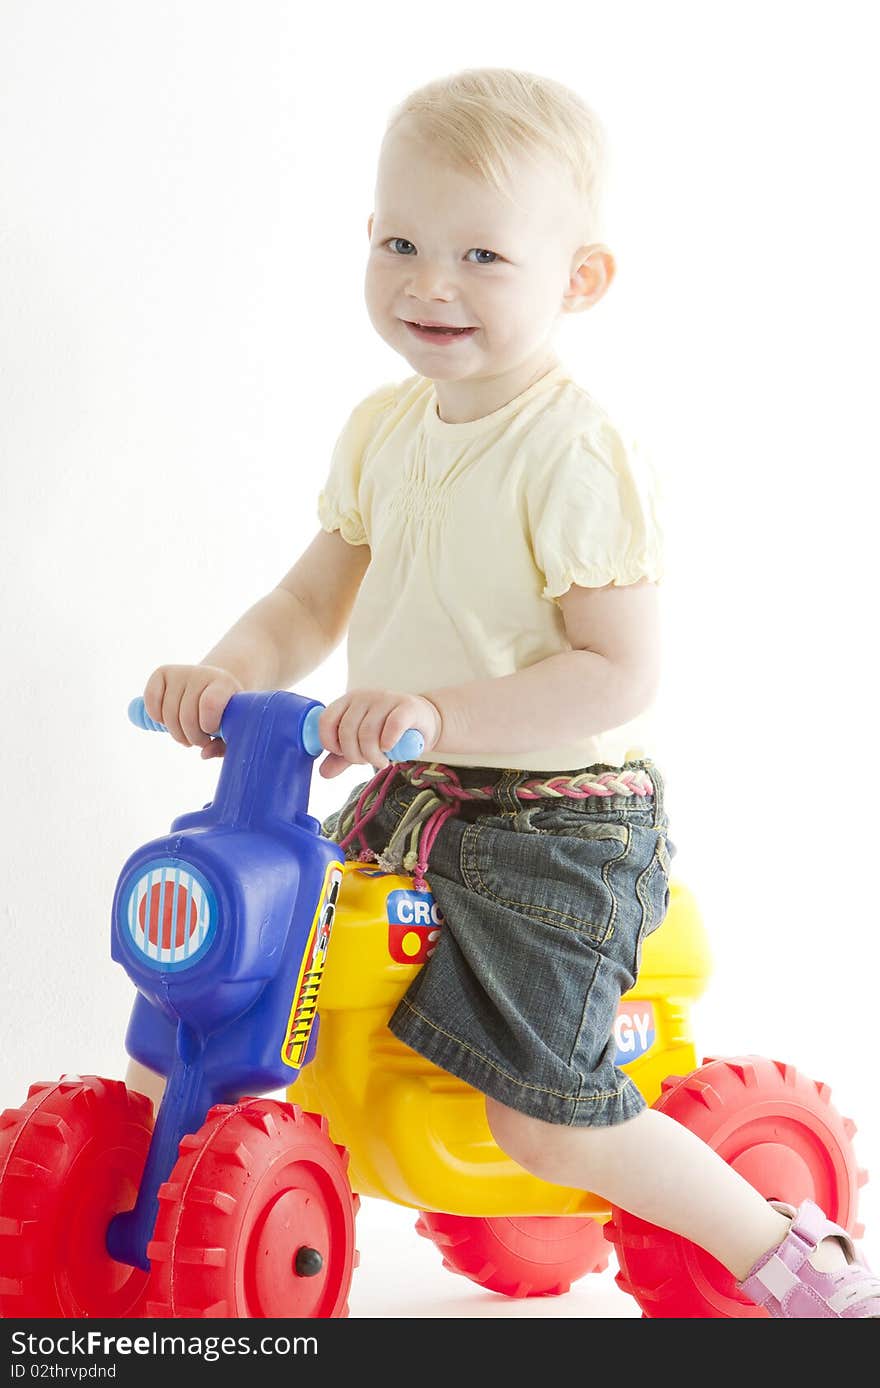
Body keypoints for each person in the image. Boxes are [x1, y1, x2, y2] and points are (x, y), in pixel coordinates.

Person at [131, 68, 878, 1318]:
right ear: (366, 242)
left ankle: (788, 1259)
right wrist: (228, 673)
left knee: (544, 1117)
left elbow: (617, 670)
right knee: (247, 959)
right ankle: (151, 1210)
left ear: (577, 280)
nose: (432, 282)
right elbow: (305, 602)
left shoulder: (572, 450)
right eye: (405, 243)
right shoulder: (383, 430)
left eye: (483, 253)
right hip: (414, 797)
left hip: (556, 830)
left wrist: (436, 710)